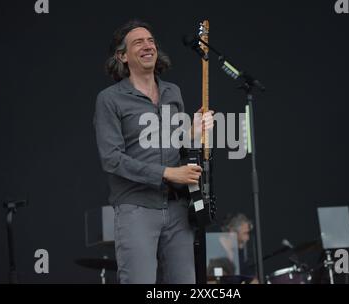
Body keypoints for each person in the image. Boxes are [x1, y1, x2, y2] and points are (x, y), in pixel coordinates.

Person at [93, 19, 214, 284]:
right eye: (138, 42)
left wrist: (192, 134)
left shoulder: (173, 92)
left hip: (178, 209)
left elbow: (175, 146)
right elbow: (112, 159)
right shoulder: (110, 99)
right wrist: (168, 173)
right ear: (122, 56)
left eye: (151, 41)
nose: (148, 46)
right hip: (136, 208)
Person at [220, 213, 259, 283]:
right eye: (245, 233)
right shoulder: (213, 251)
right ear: (232, 232)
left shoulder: (237, 253)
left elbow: (252, 279)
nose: (247, 238)